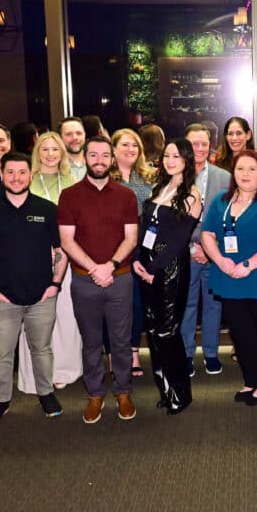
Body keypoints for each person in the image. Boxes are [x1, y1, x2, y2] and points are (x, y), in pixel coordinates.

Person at [0, 152, 68, 426]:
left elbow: (61, 250)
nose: (16, 177)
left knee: (42, 349)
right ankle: (0, 400)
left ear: (30, 175)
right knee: (1, 355)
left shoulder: (47, 209)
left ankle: (46, 395)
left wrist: (55, 283)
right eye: (10, 172)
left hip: (41, 297)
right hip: (1, 298)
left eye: (22, 172)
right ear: (2, 176)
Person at [57, 135, 140, 424]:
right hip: (84, 281)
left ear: (112, 159)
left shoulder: (126, 195)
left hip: (120, 279)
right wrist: (95, 268)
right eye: (94, 155)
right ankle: (94, 394)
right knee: (91, 341)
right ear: (85, 157)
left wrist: (111, 265)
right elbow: (67, 241)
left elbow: (132, 238)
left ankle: (123, 391)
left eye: (105, 155)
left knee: (120, 340)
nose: (100, 161)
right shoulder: (69, 195)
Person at [201, 150, 257, 405]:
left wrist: (248, 265)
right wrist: (220, 260)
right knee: (241, 333)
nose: (245, 174)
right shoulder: (222, 200)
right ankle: (251, 379)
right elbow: (207, 234)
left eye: (252, 169)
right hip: (229, 275)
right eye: (240, 169)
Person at [132, 138, 202, 415]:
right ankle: (165, 389)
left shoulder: (191, 195)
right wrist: (138, 259)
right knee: (153, 330)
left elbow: (178, 241)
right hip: (146, 263)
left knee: (167, 331)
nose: (170, 160)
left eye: (177, 155)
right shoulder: (160, 187)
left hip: (170, 268)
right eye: (167, 155)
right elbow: (144, 228)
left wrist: (152, 268)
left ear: (187, 159)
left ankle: (181, 394)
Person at [17, 131, 81, 394]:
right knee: (33, 317)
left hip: (66, 254)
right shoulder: (26, 179)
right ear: (37, 153)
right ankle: (36, 374)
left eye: (56, 150)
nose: (51, 155)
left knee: (66, 315)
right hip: (33, 256)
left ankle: (65, 369)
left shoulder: (72, 180)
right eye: (45, 150)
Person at [181, 123, 231, 377]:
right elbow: (172, 219)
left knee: (214, 305)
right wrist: (192, 247)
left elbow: (230, 218)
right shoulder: (176, 175)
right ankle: (187, 354)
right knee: (186, 305)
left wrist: (211, 248)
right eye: (193, 144)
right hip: (184, 254)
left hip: (216, 255)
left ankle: (211, 353)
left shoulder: (224, 177)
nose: (199, 149)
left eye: (203, 144)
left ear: (210, 145)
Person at [112, 128, 157, 378]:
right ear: (114, 149)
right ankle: (113, 355)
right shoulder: (106, 177)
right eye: (125, 145)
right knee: (115, 305)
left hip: (143, 248)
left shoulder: (149, 176)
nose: (130, 150)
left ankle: (133, 353)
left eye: (135, 146)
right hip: (113, 249)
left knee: (138, 303)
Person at [59, 116, 87, 181]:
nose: (75, 137)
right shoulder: (54, 167)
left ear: (85, 135)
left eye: (79, 133)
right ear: (60, 138)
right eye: (68, 134)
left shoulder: (97, 163)